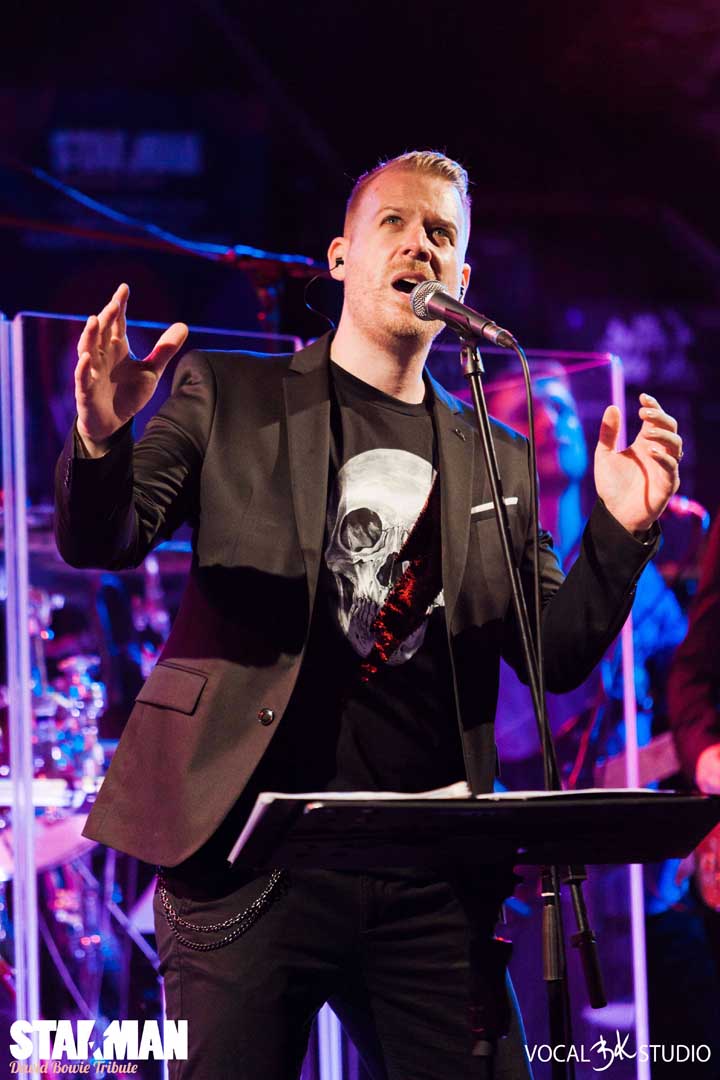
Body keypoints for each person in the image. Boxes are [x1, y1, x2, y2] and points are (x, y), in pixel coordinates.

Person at [54, 151, 682, 1080]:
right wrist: (102, 438)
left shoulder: (496, 453)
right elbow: (106, 539)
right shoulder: (231, 396)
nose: (418, 244)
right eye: (394, 222)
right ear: (342, 257)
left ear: (462, 278)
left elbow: (555, 654)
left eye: (440, 233)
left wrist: (620, 534)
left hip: (429, 869)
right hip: (246, 857)